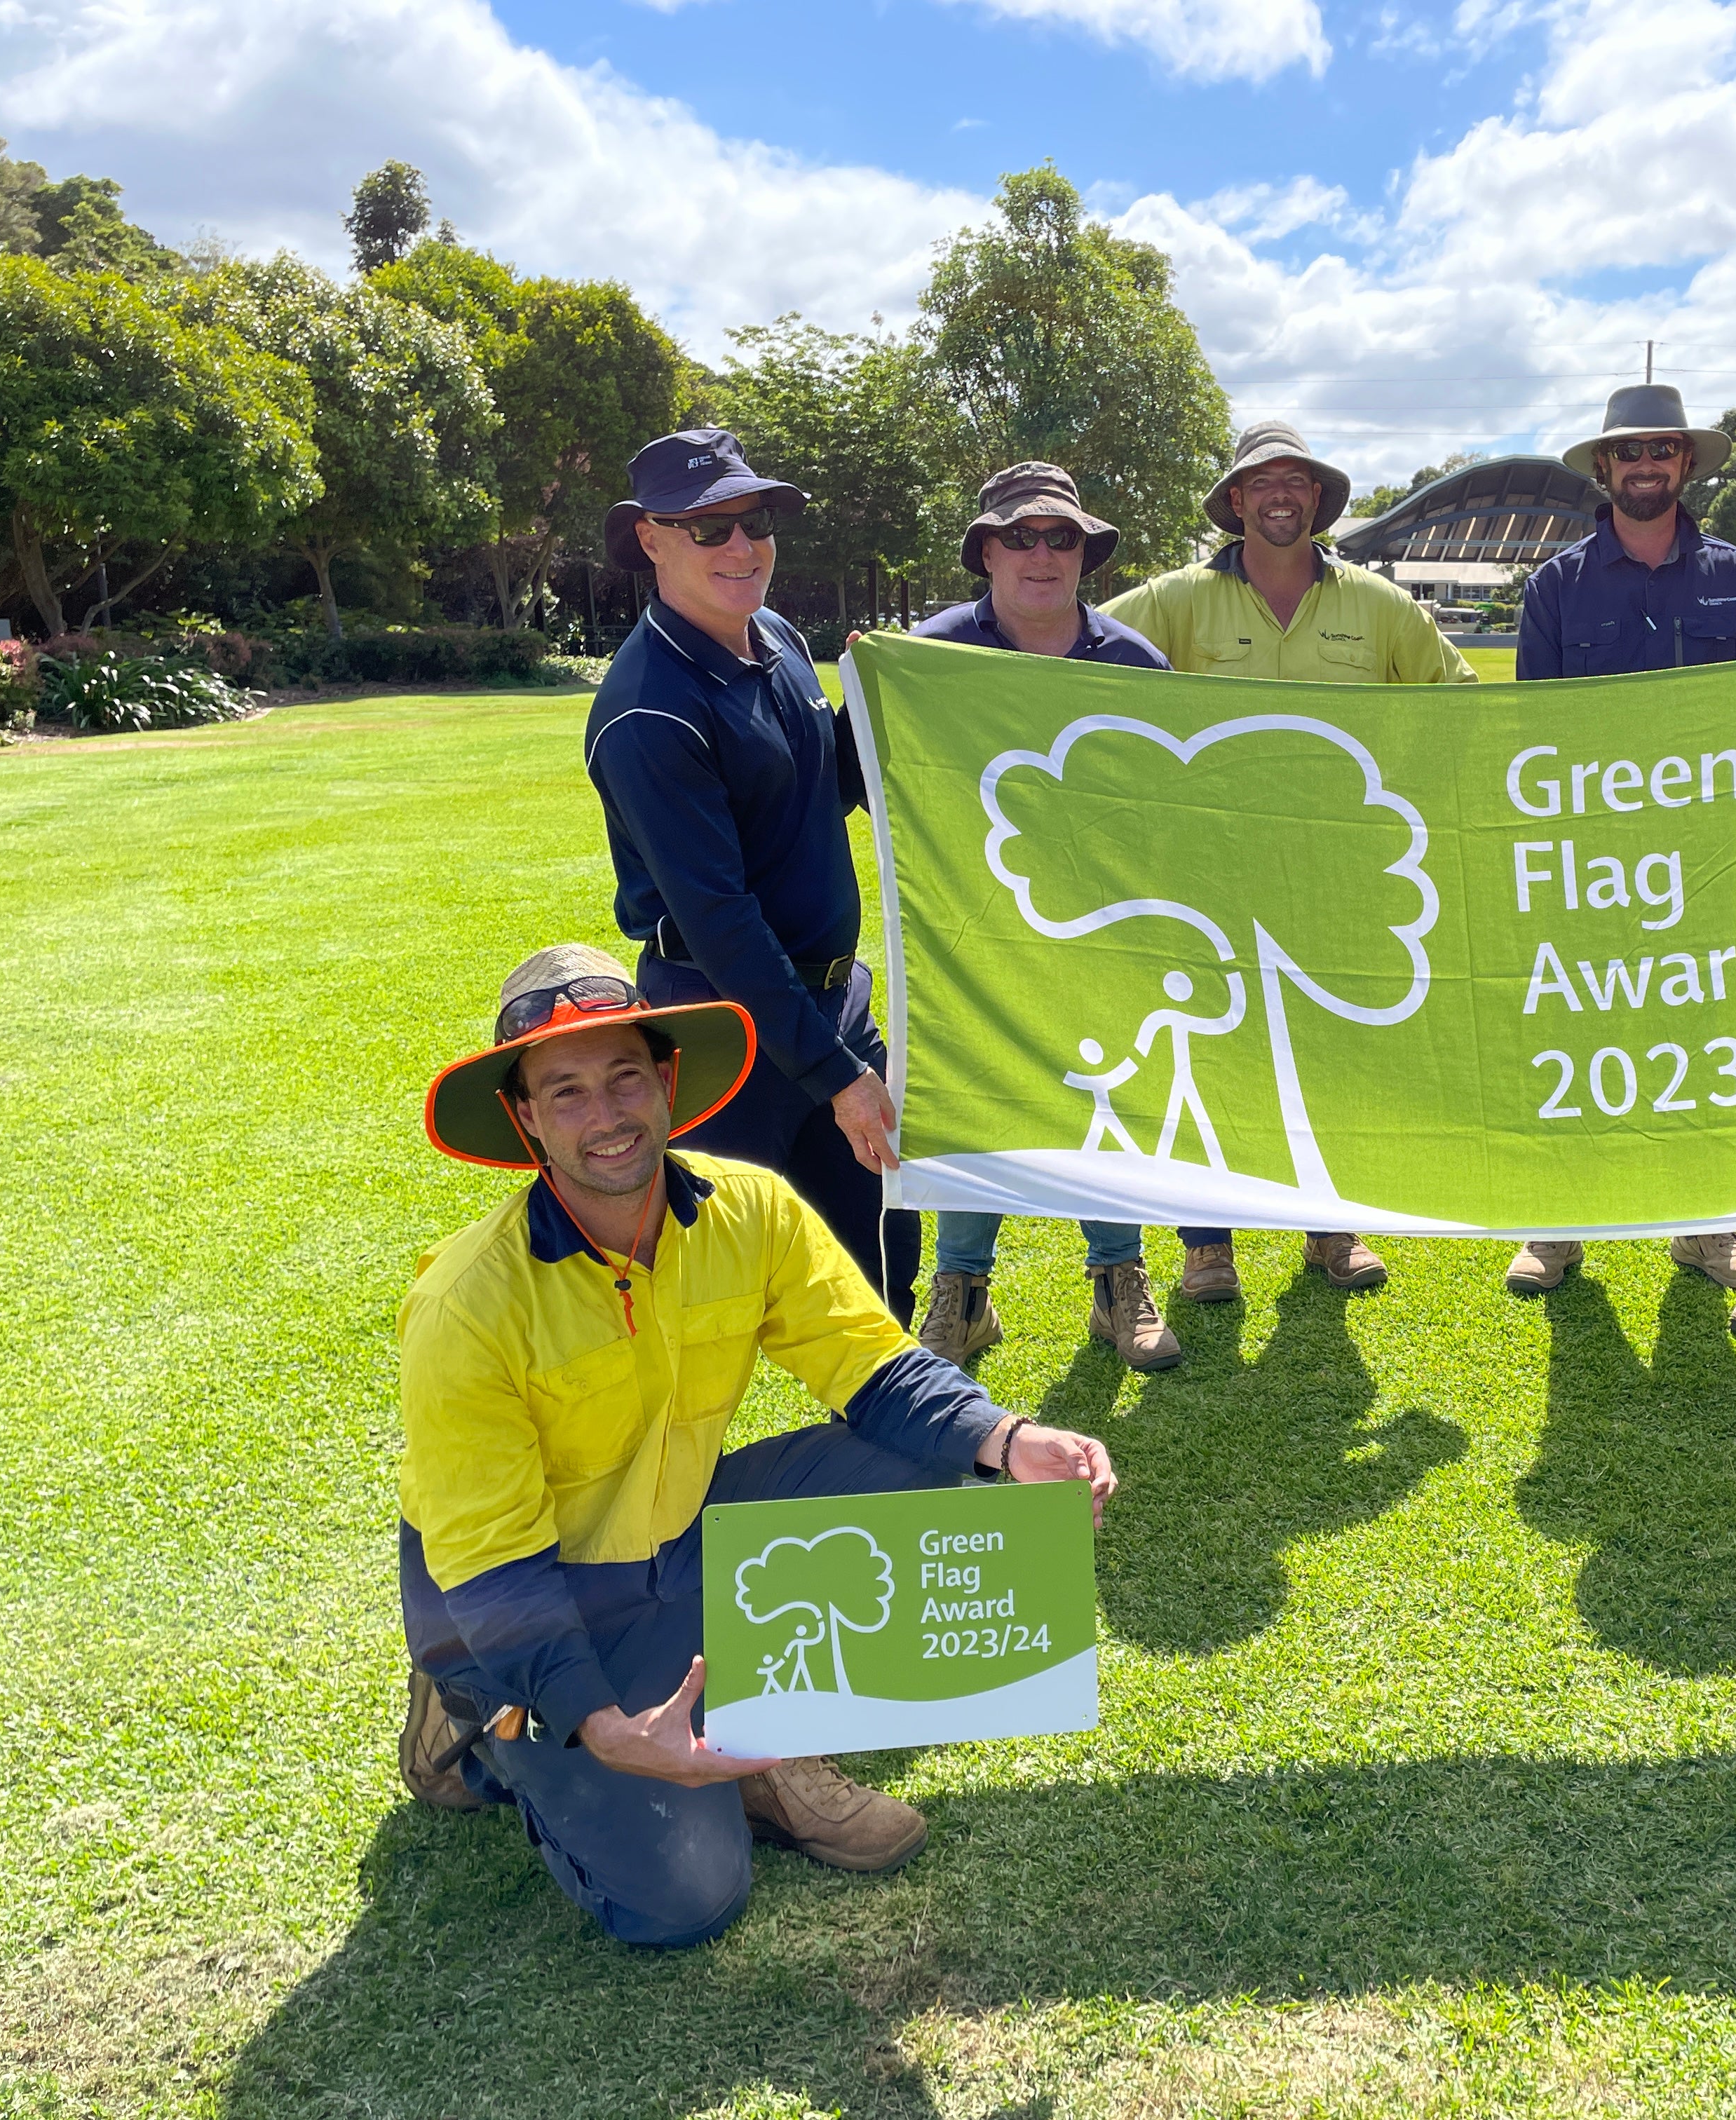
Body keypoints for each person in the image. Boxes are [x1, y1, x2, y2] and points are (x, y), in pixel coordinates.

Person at [394, 945, 1117, 1946]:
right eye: (565, 1092)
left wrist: (1010, 1436)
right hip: (523, 1598)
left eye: (624, 1078)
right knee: (684, 1899)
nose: (606, 1116)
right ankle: (481, 1724)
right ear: (523, 1118)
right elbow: (490, 1565)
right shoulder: (467, 1306)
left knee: (939, 1455)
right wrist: (604, 1727)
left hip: (676, 1545)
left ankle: (759, 1730)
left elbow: (876, 1369)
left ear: (668, 1081)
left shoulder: (753, 1211)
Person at [1105, 420, 1475, 1298]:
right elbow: (1062, 644)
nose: (1280, 494)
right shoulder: (1176, 600)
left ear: (1317, 498)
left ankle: (1328, 1227)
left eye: (1296, 482)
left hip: (1335, 872)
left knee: (1328, 1052)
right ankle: (1209, 1245)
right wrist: (931, 658)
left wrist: (1411, 790)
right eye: (1261, 482)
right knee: (1210, 1048)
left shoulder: (1377, 605)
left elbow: (1458, 702)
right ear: (1237, 502)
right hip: (1207, 870)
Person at [583, 429, 918, 1322]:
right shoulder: (648, 712)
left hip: (831, 1005)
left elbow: (823, 784)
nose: (743, 547)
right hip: (725, 1033)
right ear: (650, 539)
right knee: (718, 1302)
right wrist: (839, 1075)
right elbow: (720, 921)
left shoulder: (770, 633)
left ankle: (901, 1444)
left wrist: (877, 701)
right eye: (709, 528)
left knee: (884, 1256)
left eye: (756, 521)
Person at [1502, 383, 1736, 1303]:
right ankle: (1556, 1231)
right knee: (1579, 1033)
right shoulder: (1557, 585)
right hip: (1589, 860)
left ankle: (1708, 1227)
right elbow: (1532, 737)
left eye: (1664, 450)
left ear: (1685, 463)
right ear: (1607, 468)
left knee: (1704, 1035)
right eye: (1631, 453)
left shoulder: (1734, 577)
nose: (1648, 466)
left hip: (1704, 854)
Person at [908, 463, 1181, 1375]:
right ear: (987, 550)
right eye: (1019, 537)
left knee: (1104, 1095)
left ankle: (1118, 1284)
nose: (1041, 554)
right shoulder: (931, 653)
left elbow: (1172, 803)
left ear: (1084, 554)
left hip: (1103, 930)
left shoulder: (1134, 661)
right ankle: (964, 1296)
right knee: (977, 1099)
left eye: (1060, 537)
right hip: (973, 931)